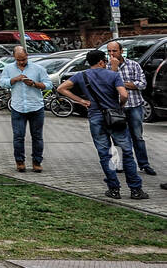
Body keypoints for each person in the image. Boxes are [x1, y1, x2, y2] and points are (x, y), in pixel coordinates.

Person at [58, 49, 146, 199]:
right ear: (100, 61)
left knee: (105, 154)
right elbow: (124, 94)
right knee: (126, 152)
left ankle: (114, 188)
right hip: (115, 117)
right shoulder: (113, 75)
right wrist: (120, 105)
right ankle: (135, 189)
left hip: (95, 117)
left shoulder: (82, 75)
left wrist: (81, 101)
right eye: (105, 60)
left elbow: (61, 88)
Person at [0, 45, 51, 173]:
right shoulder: (8, 69)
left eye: (23, 59)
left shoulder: (38, 69)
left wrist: (34, 84)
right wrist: (13, 80)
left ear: (27, 56)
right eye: (18, 60)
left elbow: (48, 85)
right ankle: (19, 161)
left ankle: (37, 162)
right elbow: (2, 82)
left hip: (36, 107)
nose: (21, 62)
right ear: (14, 57)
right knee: (18, 136)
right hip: (18, 107)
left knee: (37, 136)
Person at [108, 40, 157, 177]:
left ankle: (144, 164)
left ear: (121, 51)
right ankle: (119, 164)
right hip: (117, 108)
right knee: (117, 137)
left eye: (114, 51)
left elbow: (142, 84)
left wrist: (121, 85)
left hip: (135, 105)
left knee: (137, 137)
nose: (111, 54)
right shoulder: (107, 67)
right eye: (109, 51)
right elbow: (108, 87)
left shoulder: (133, 65)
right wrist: (115, 72)